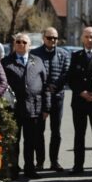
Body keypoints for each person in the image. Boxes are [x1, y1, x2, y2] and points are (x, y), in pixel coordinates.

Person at [2, 33, 50, 180]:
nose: (21, 44)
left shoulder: (38, 61)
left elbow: (46, 85)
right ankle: (13, 169)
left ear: (29, 45)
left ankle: (30, 169)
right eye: (18, 41)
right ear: (14, 44)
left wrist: (46, 108)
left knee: (31, 141)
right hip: (13, 109)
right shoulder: (5, 62)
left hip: (33, 108)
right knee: (13, 141)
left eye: (24, 42)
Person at [31, 27, 71, 172]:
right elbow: (33, 74)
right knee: (38, 131)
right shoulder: (34, 54)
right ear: (43, 38)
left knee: (56, 131)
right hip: (40, 98)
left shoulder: (64, 54)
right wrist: (46, 87)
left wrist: (55, 86)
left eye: (55, 38)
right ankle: (40, 161)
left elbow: (66, 73)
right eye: (49, 38)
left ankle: (54, 161)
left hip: (58, 97)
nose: (52, 41)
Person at [68, 27, 92, 175]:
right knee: (79, 134)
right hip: (80, 101)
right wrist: (81, 92)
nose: (89, 40)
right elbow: (71, 79)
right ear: (82, 39)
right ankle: (78, 166)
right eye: (86, 37)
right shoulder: (75, 55)